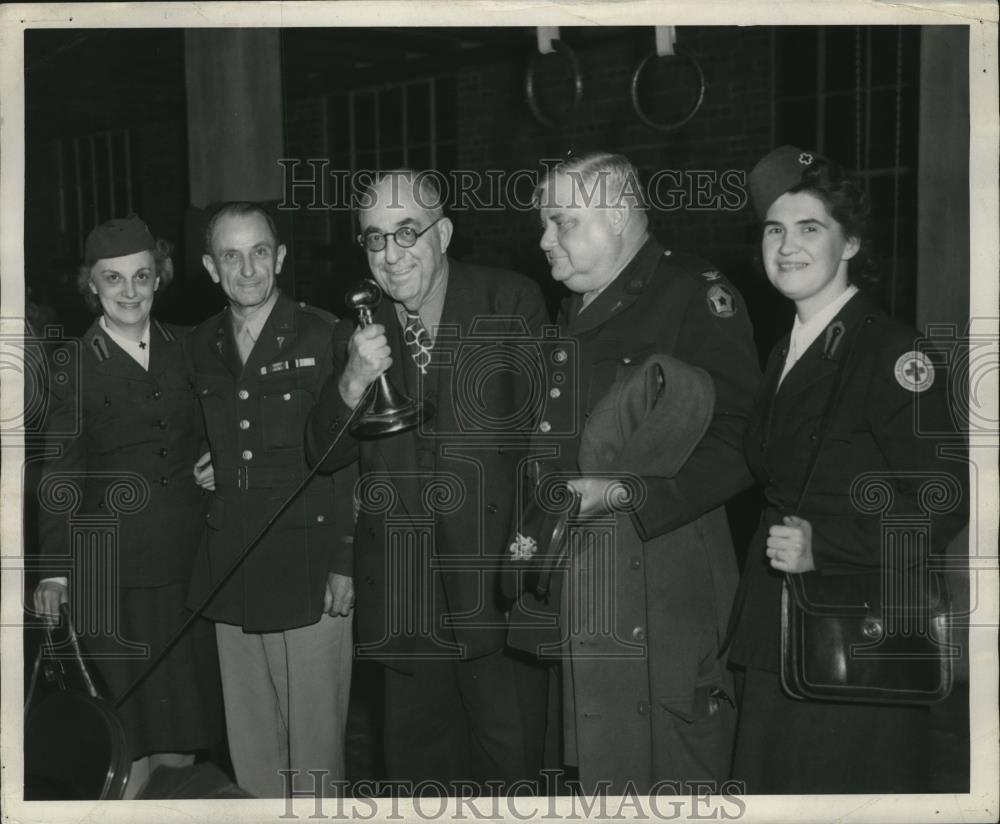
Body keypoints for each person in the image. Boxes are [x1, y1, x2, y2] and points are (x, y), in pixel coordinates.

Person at [505, 152, 762, 794]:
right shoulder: (577, 308)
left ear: (618, 216)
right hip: (581, 582)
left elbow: (742, 440)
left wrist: (627, 494)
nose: (544, 240)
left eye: (562, 221)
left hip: (663, 574)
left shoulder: (692, 296)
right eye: (545, 223)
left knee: (672, 767)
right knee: (596, 764)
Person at [727, 146, 968, 793]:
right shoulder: (786, 348)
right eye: (775, 229)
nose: (787, 245)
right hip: (778, 630)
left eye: (811, 228)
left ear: (852, 243)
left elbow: (944, 502)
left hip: (854, 638)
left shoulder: (892, 353)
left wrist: (825, 547)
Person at [305, 170, 550, 791]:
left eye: (406, 232)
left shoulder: (510, 301)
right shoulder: (354, 335)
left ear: (442, 233)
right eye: (374, 240)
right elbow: (323, 457)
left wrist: (533, 561)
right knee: (418, 779)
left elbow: (542, 447)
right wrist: (351, 383)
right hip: (404, 599)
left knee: (511, 773)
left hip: (496, 588)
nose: (390, 255)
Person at [33, 215, 223, 798]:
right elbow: (60, 476)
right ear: (91, 285)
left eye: (142, 276)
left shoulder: (189, 346)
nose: (130, 291)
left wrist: (220, 454)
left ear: (158, 279)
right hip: (110, 572)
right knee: (126, 732)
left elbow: (224, 419)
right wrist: (56, 572)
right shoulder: (72, 366)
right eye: (113, 280)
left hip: (187, 563)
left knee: (181, 725)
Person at [185, 201, 356, 798]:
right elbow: (189, 430)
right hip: (232, 564)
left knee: (314, 749)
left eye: (260, 251)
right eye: (231, 255)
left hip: (307, 565)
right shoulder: (201, 343)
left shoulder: (326, 333)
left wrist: (345, 560)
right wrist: (201, 460)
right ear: (211, 267)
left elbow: (350, 458)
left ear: (280, 257)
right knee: (252, 746)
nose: (248, 268)